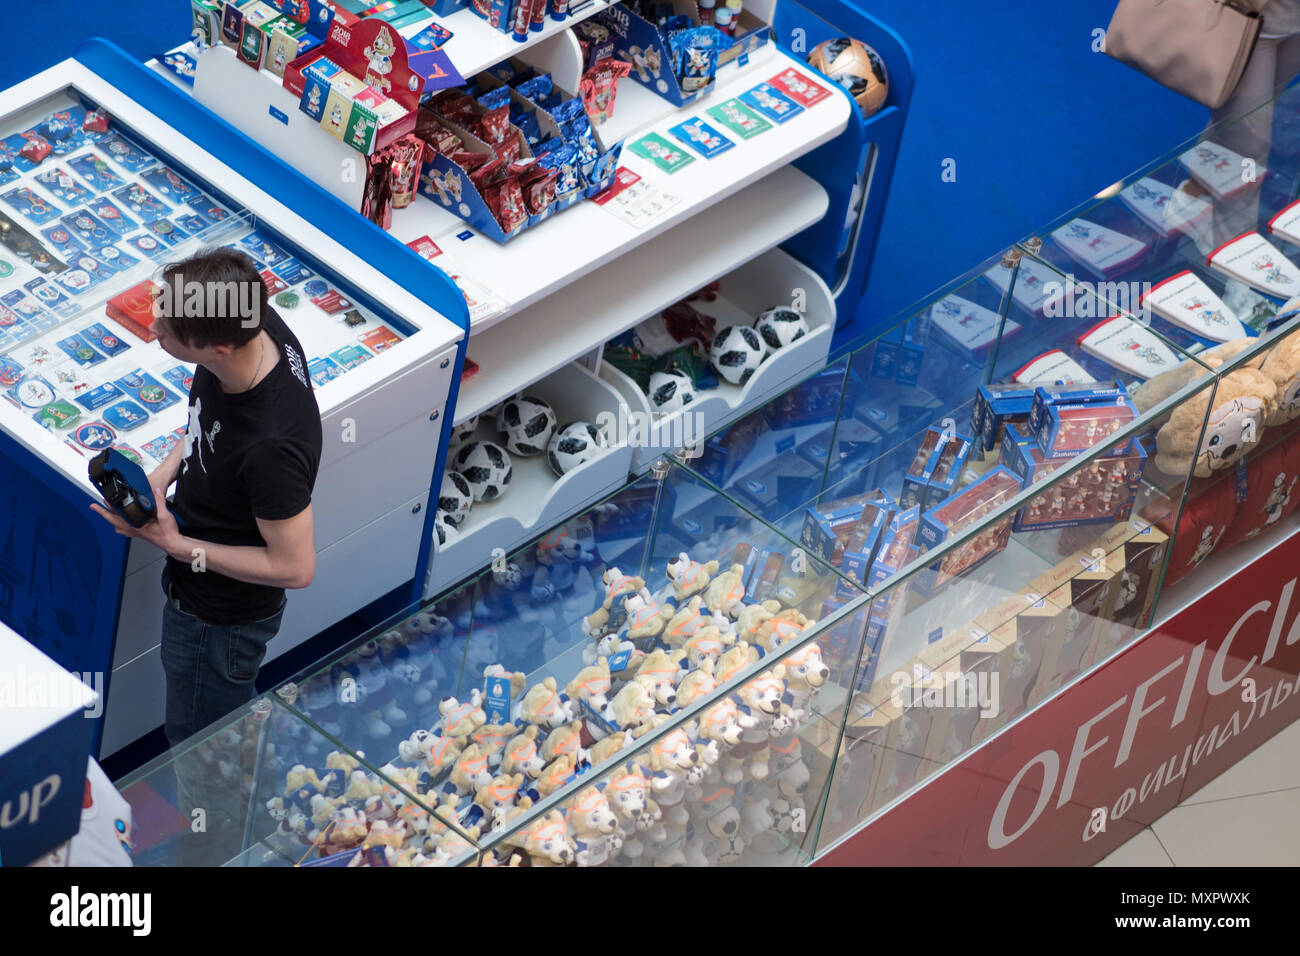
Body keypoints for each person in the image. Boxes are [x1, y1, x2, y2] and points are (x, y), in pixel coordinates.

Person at [92, 247, 322, 749]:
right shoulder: (249, 321)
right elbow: (211, 416)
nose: (154, 331)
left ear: (216, 347)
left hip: (219, 622)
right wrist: (164, 474)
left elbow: (295, 567)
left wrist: (175, 544)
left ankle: (220, 825)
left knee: (205, 749)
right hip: (203, 589)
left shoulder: (271, 447)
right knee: (225, 732)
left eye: (169, 333)